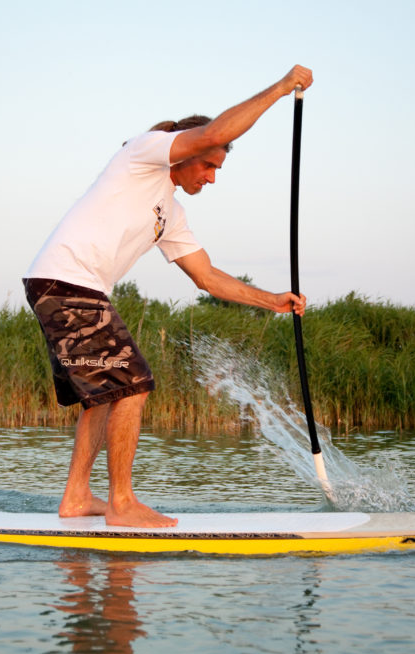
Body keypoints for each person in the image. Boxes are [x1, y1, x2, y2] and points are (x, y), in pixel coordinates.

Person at [24, 65, 313, 527]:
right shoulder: (143, 155)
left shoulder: (169, 213)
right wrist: (282, 88)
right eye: (210, 165)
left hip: (72, 286)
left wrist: (272, 300)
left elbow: (207, 277)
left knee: (102, 395)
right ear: (188, 150)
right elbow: (216, 129)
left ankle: (77, 497)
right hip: (64, 281)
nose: (213, 178)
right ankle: (122, 504)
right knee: (134, 385)